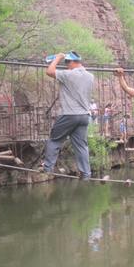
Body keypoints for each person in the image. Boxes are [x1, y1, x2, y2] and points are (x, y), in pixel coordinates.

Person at [41, 52, 94, 181]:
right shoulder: (90, 76)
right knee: (81, 146)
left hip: (69, 115)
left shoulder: (69, 75)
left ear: (72, 62)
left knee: (54, 140)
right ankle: (86, 174)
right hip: (84, 116)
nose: (66, 66)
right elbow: (82, 73)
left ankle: (47, 168)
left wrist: (58, 58)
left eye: (67, 63)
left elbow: (50, 71)